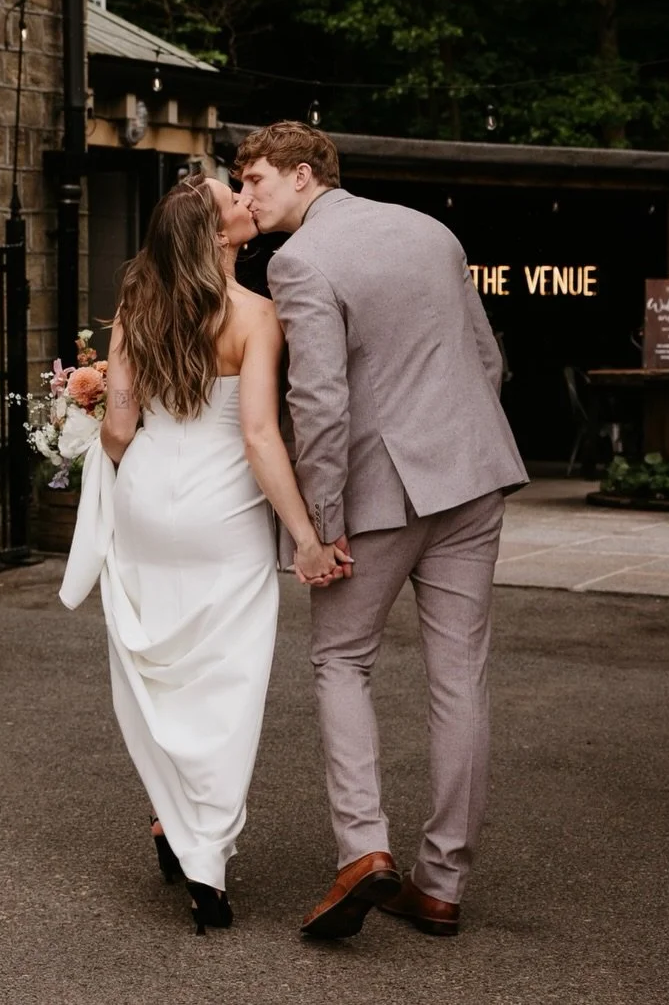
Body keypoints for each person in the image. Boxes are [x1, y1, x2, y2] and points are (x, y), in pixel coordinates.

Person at [237, 121, 529, 941]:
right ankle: (441, 884)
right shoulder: (432, 230)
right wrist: (459, 437)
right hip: (473, 474)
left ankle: (364, 851)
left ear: (303, 174)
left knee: (340, 660)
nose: (248, 195)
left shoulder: (299, 262)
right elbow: (488, 359)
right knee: (459, 676)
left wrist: (318, 529)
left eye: (255, 179)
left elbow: (320, 404)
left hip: (381, 493)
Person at [59, 173, 343, 935]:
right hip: (223, 513)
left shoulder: (135, 313)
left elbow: (118, 430)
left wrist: (130, 475)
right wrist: (308, 540)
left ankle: (170, 820)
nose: (245, 204)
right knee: (227, 685)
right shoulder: (256, 315)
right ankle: (206, 861)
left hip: (147, 499)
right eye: (231, 203)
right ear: (217, 238)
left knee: (161, 673)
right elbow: (258, 437)